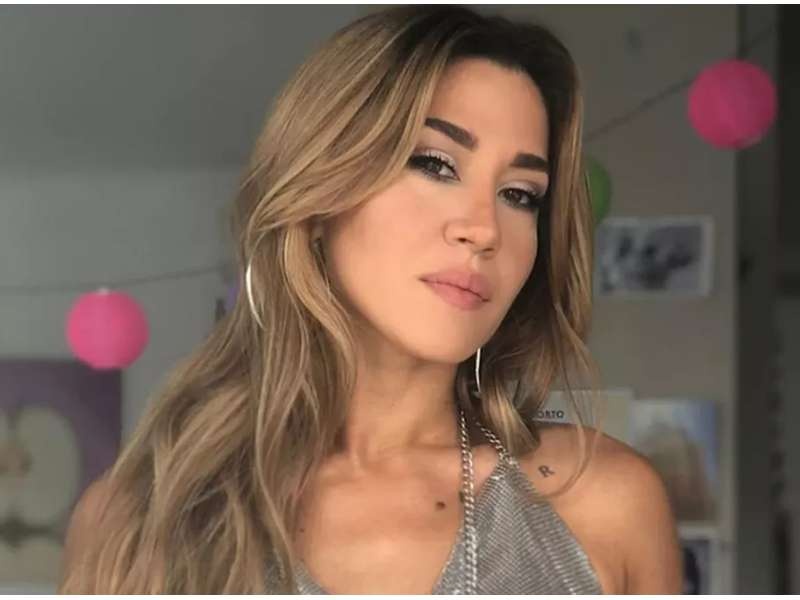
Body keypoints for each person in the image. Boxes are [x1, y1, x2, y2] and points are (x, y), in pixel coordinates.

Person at [58, 5, 682, 594]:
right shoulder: (133, 522)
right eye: (435, 164)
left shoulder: (605, 505)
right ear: (320, 196)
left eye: (520, 194)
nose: (484, 229)